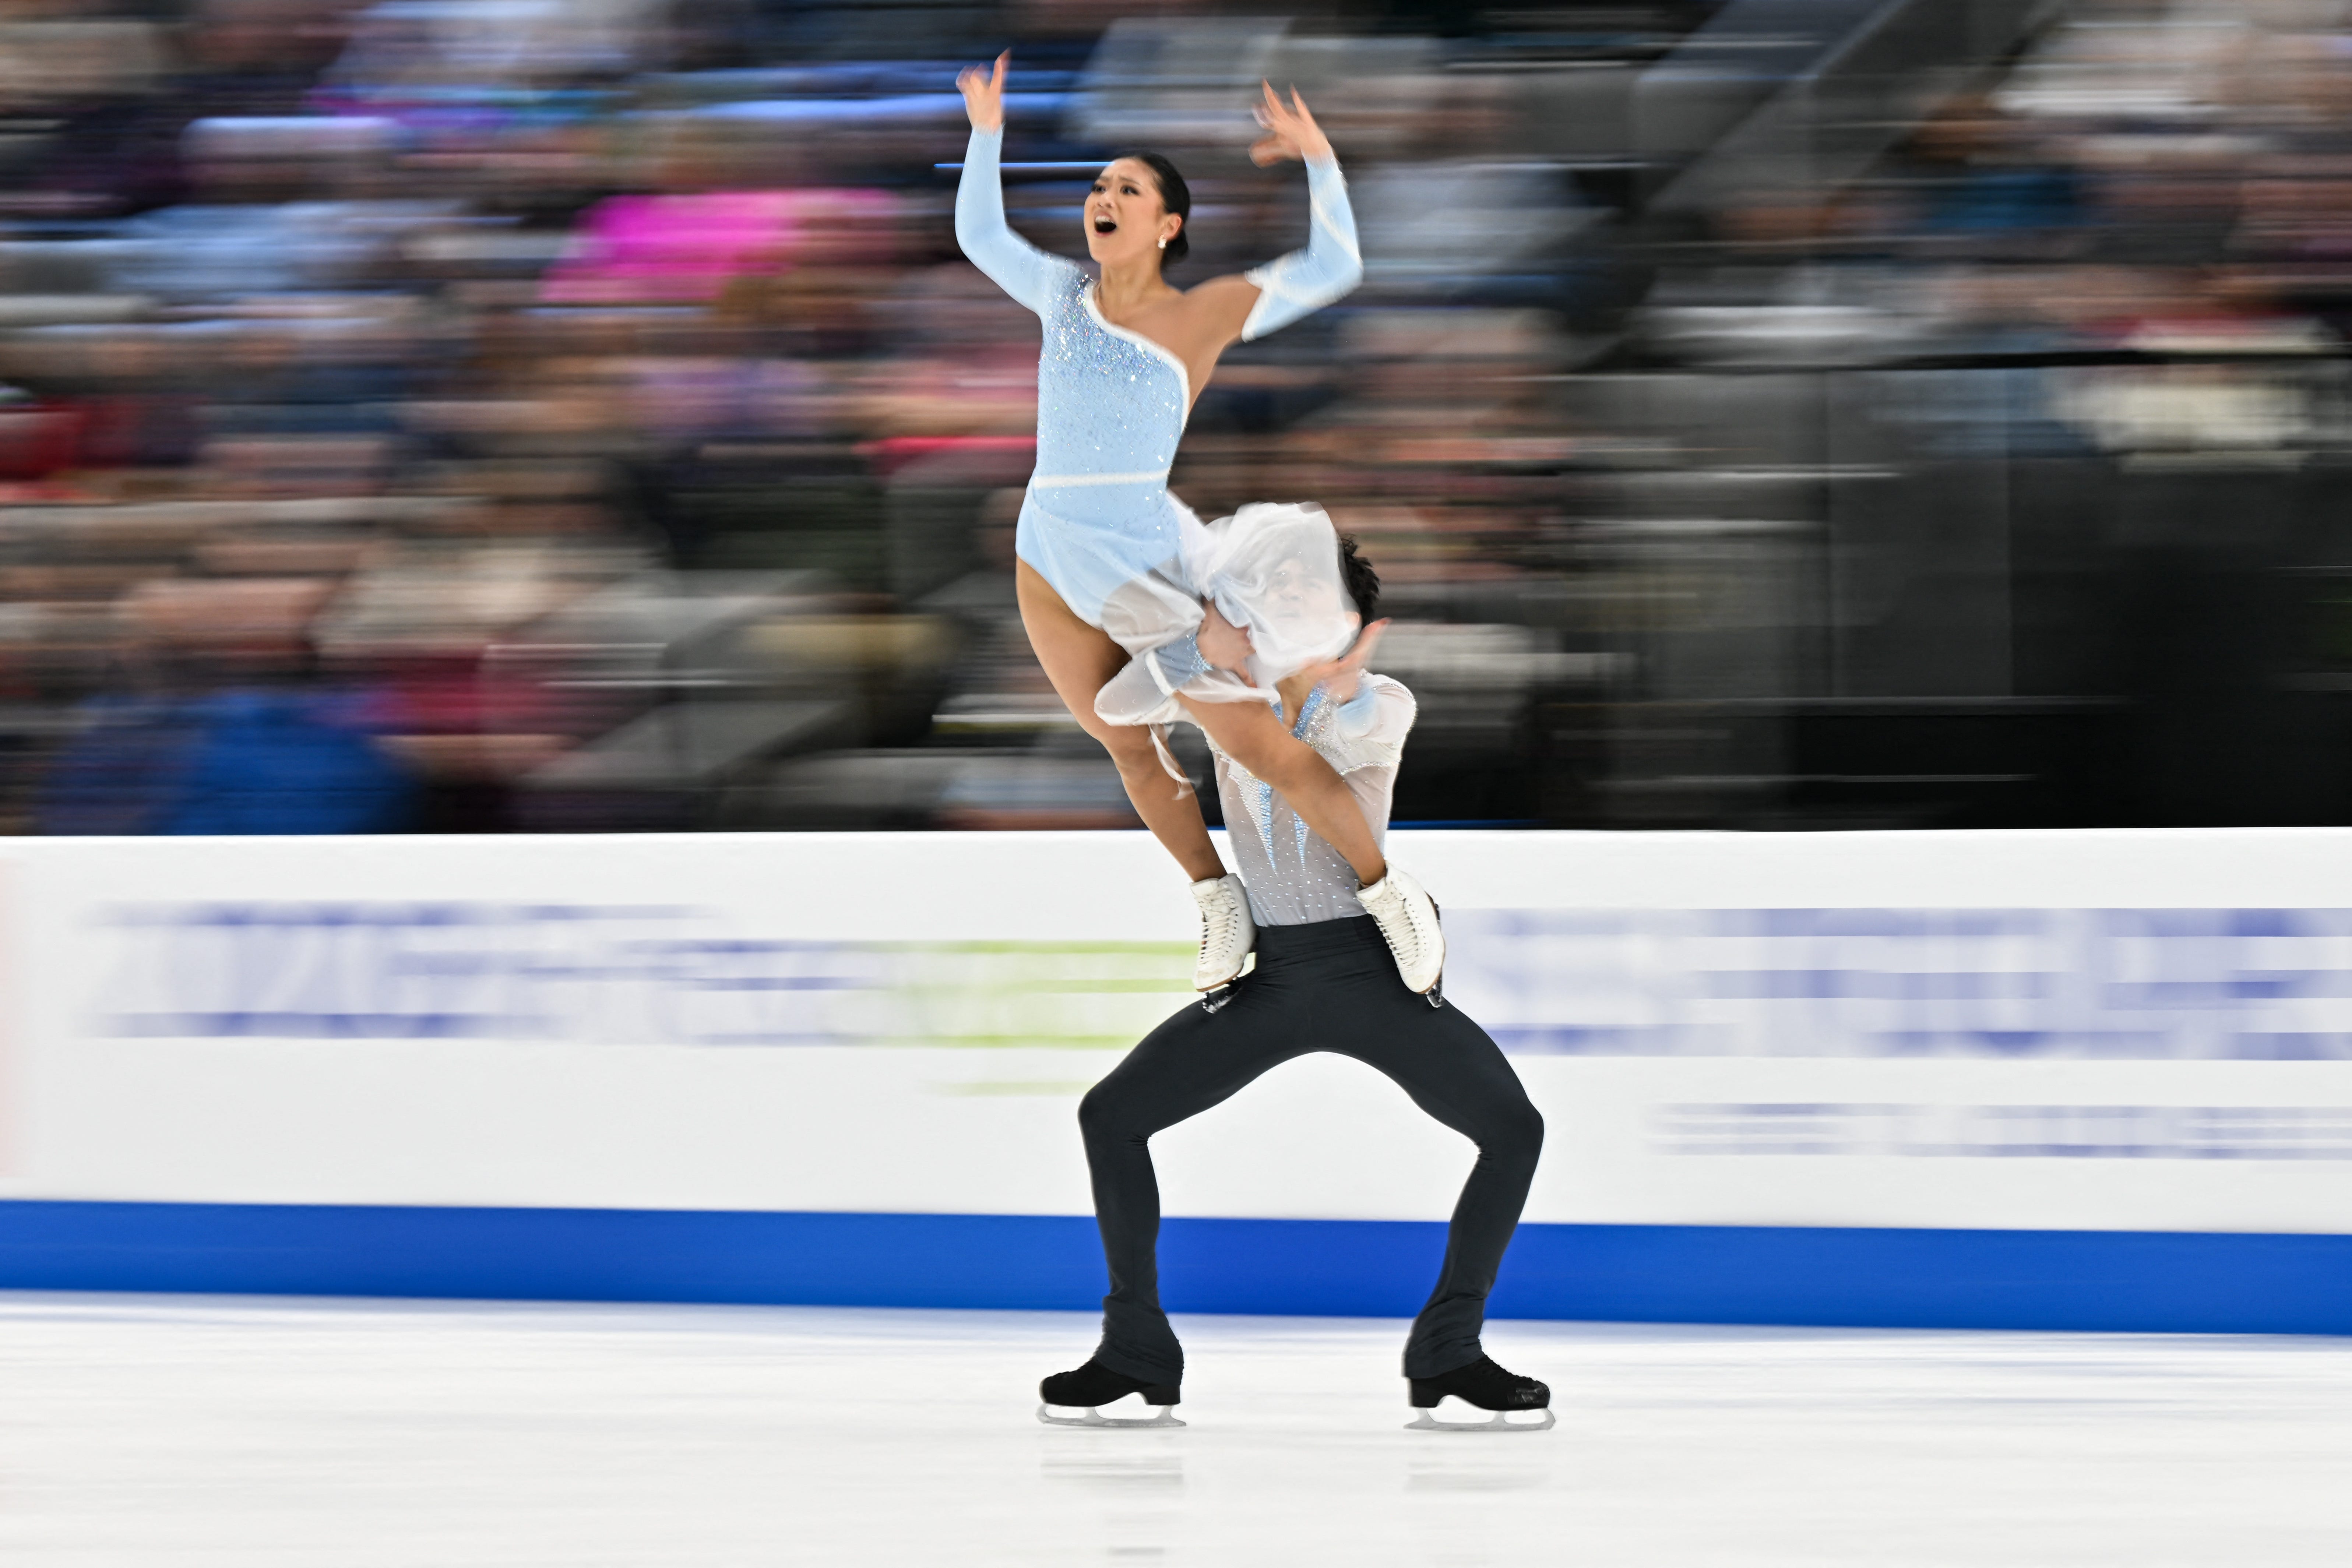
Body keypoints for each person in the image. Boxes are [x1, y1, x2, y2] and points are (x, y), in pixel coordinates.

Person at [1035, 514, 1553, 1433]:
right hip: (1272, 979)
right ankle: (1135, 1348)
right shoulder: (1226, 688)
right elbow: (1117, 714)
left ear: (1357, 624)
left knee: (1513, 1129)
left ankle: (1450, 1347)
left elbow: (1315, 761)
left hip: (1368, 971)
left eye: (1308, 592)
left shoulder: (1379, 699)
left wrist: (1258, 678)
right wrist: (1191, 656)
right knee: (1108, 1117)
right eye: (1270, 593)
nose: (1285, 607)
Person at [953, 54, 1445, 999]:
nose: (1103, 197)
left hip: (1140, 561)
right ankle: (1217, 901)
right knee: (1123, 743)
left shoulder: (1204, 314)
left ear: (1167, 224)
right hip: (1045, 547)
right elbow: (980, 233)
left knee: (1258, 745)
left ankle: (1390, 894)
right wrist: (985, 135)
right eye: (1098, 186)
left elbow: (1334, 266)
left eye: (1126, 189)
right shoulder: (1060, 294)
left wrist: (1318, 158)